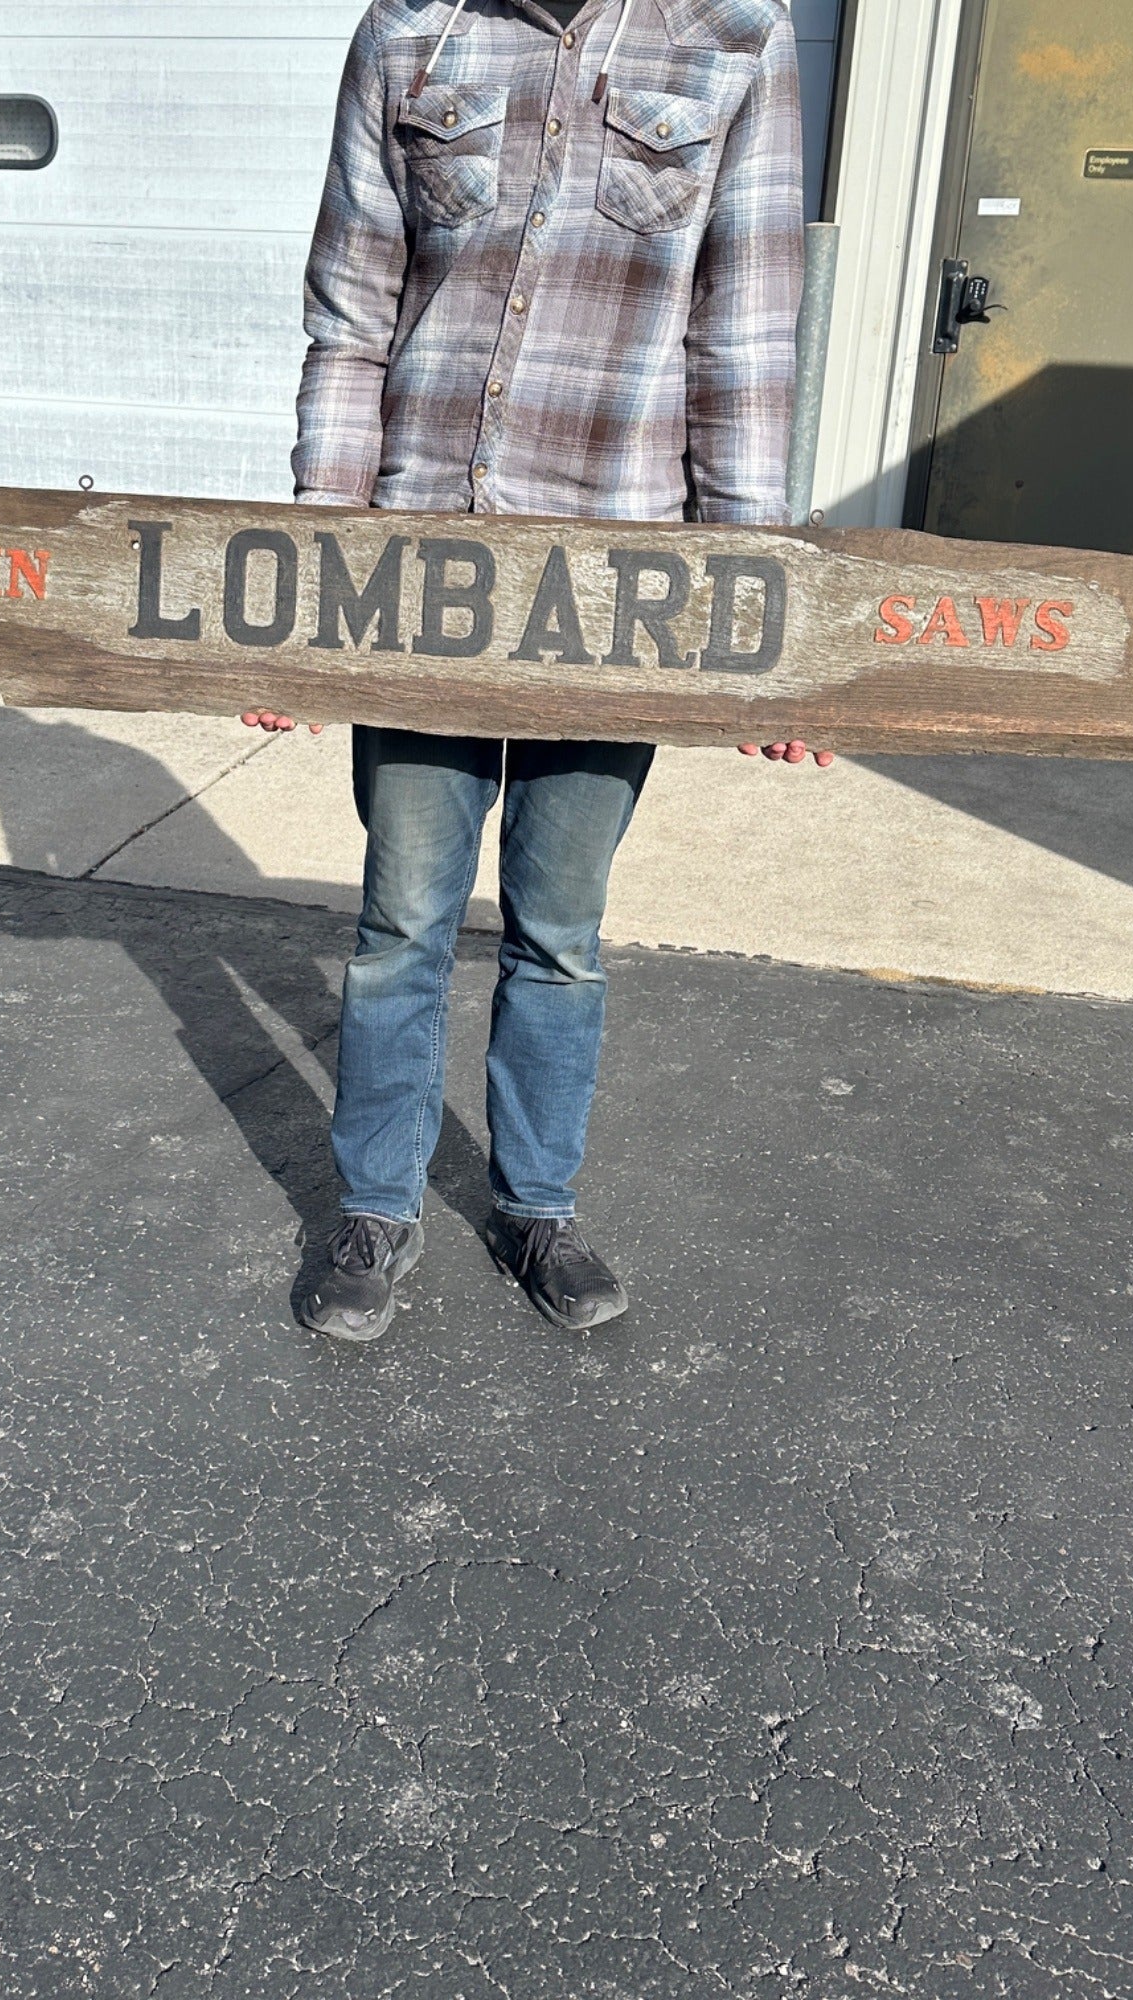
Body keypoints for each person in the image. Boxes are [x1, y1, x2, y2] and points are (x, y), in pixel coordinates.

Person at [246, 0, 830, 1343]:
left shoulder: (738, 34)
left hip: (617, 585)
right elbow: (352, 312)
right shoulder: (411, 31)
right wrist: (310, 589)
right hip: (416, 577)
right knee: (403, 926)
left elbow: (743, 334)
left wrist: (756, 628)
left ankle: (535, 1207)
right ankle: (377, 1207)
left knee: (559, 933)